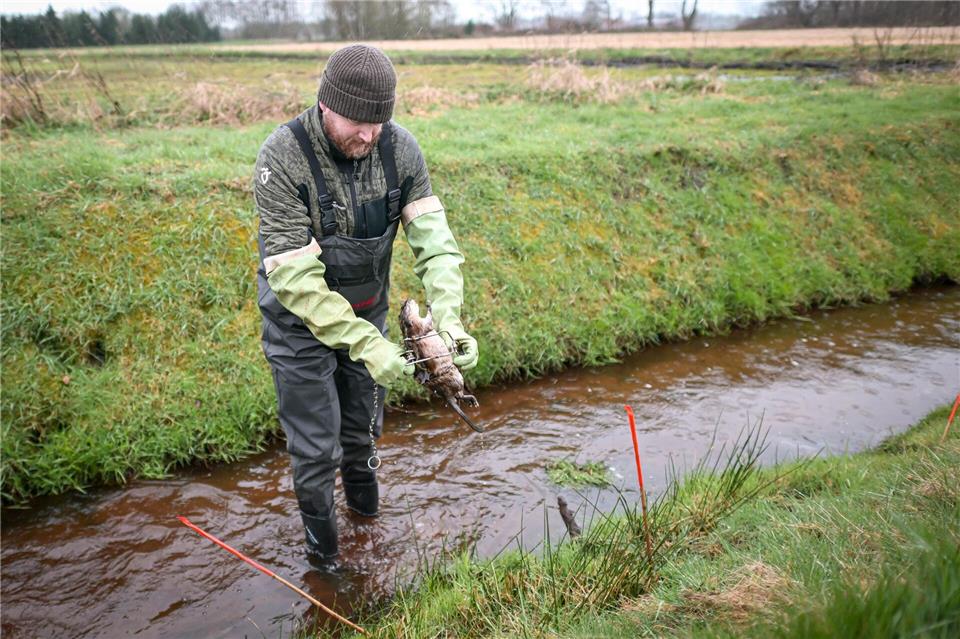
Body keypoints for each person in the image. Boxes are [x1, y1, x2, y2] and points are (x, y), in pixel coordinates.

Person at [253, 44, 478, 565]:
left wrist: (449, 317)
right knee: (316, 451)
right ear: (326, 103)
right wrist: (364, 343)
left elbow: (436, 245)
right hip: (298, 329)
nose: (370, 135)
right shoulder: (282, 158)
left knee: (362, 434)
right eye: (358, 121)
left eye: (381, 121)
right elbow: (296, 280)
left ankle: (367, 525)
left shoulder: (402, 151)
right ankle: (327, 566)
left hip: (370, 315)